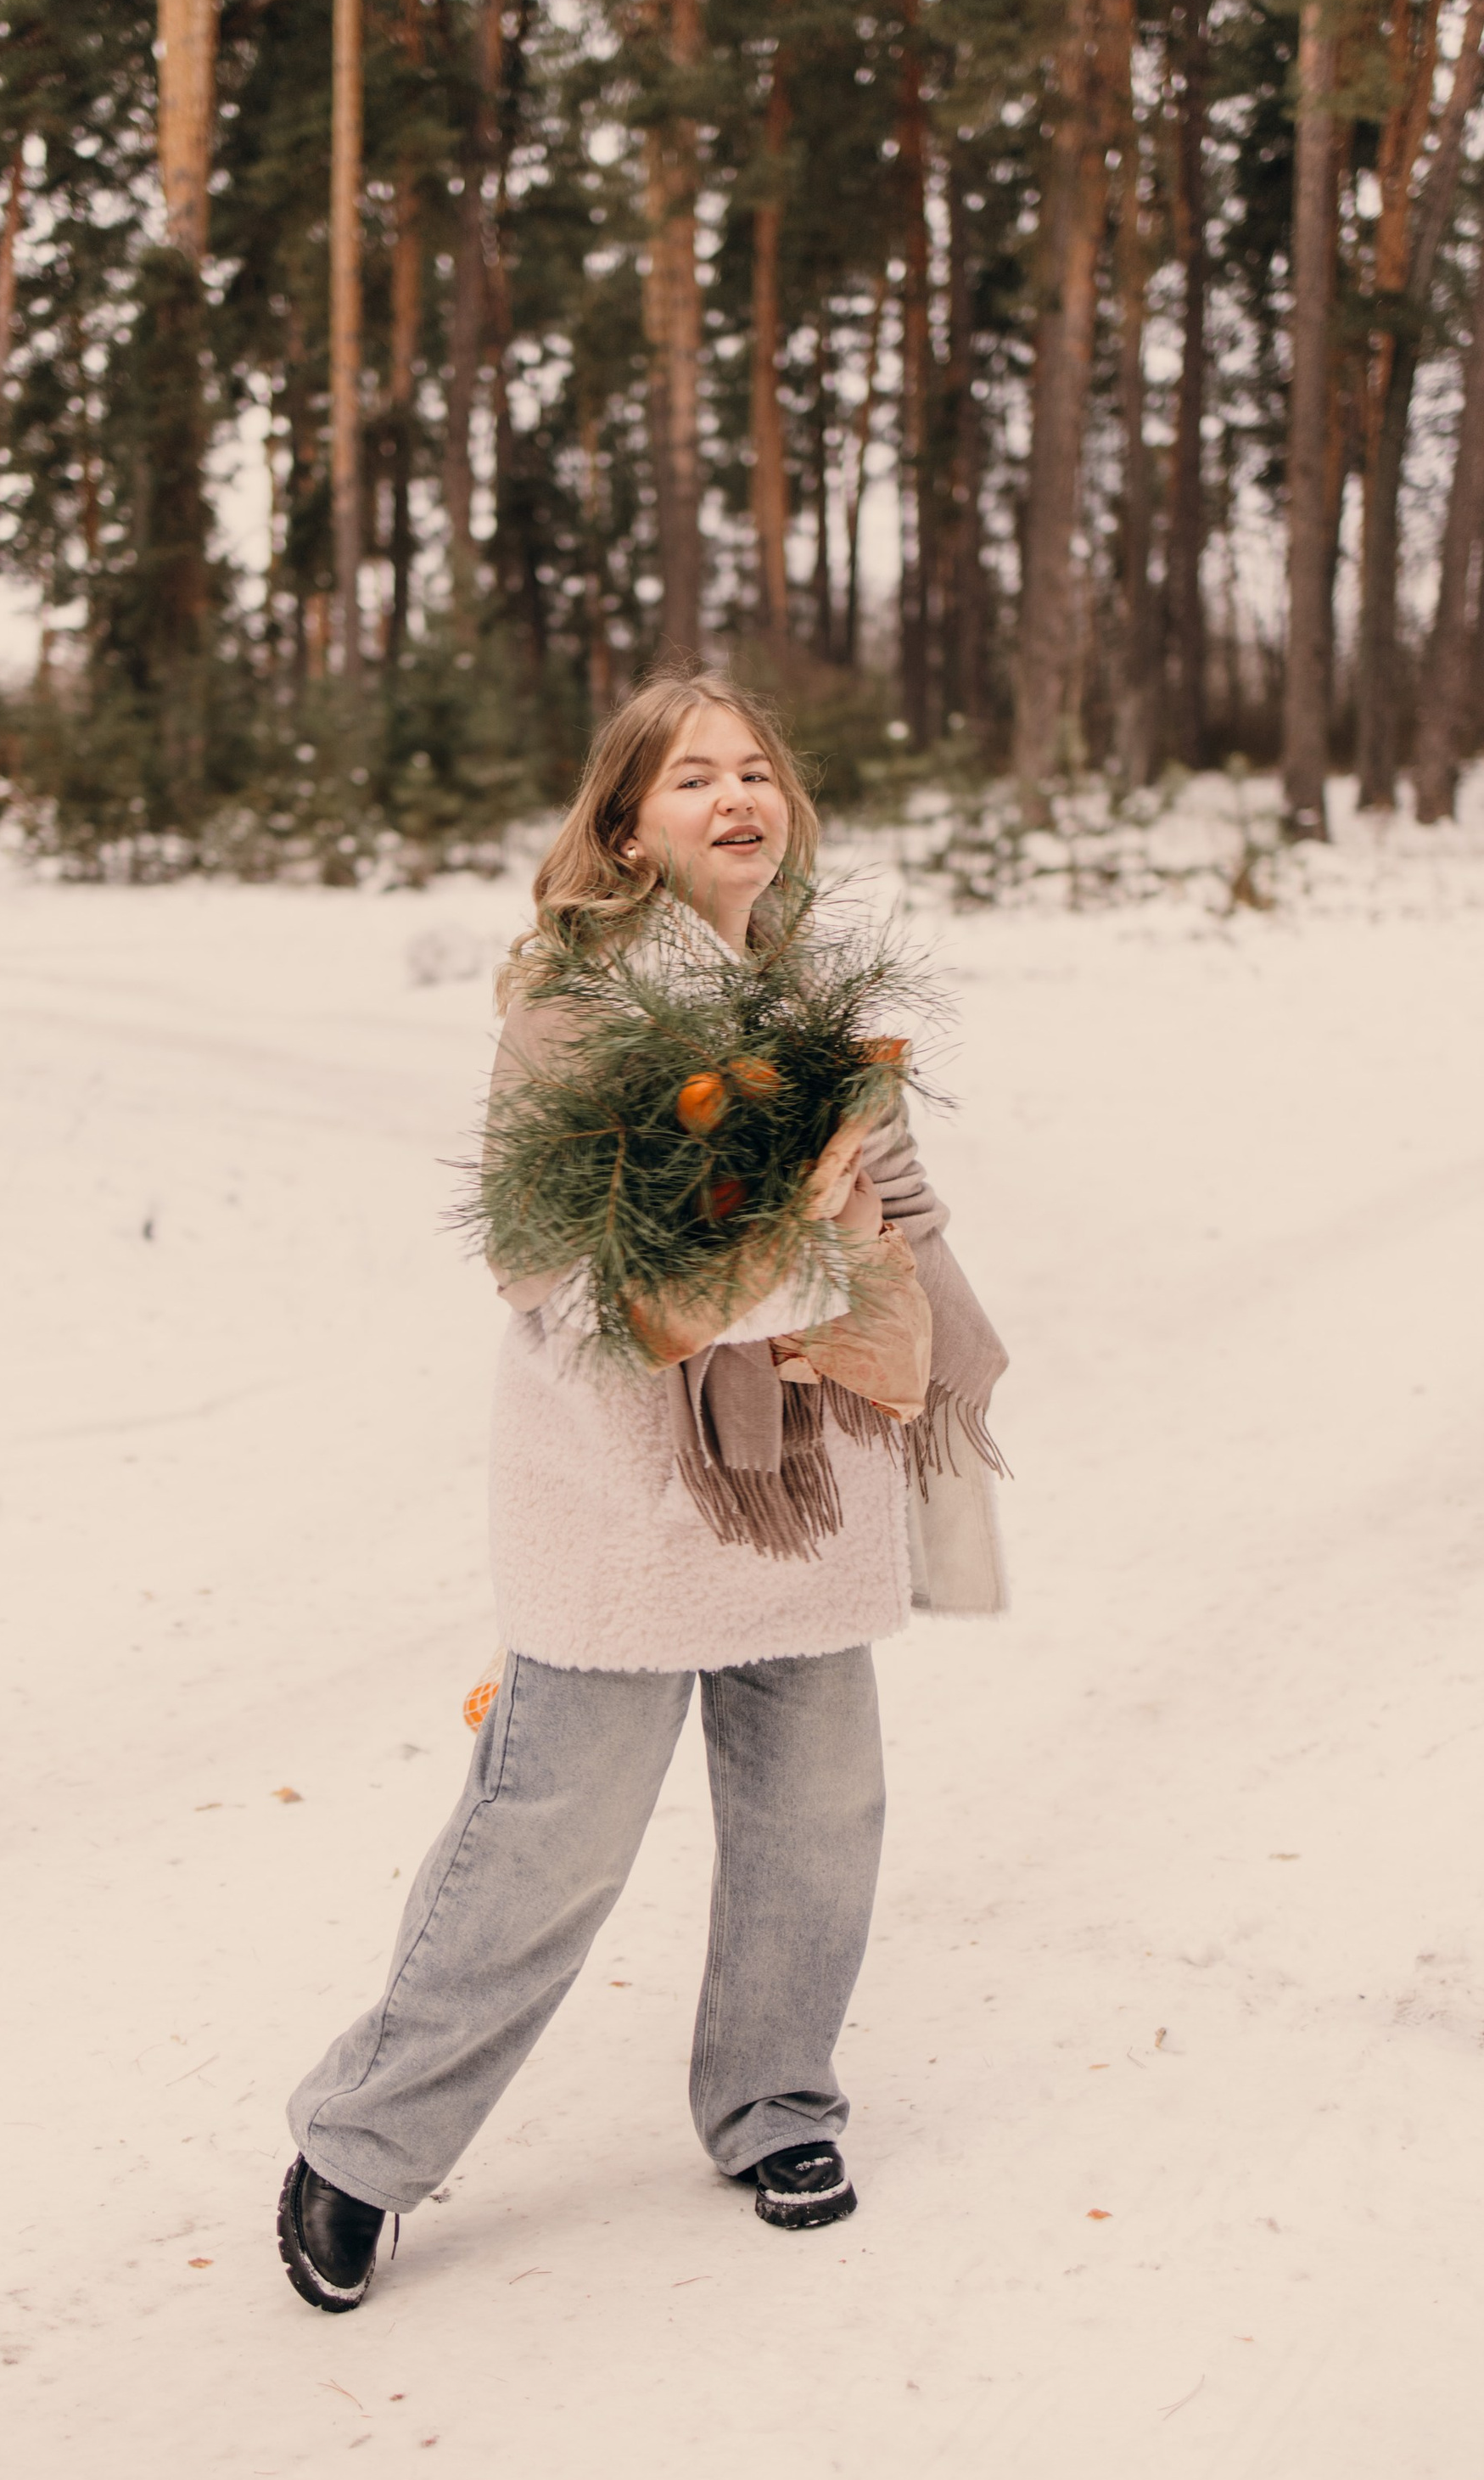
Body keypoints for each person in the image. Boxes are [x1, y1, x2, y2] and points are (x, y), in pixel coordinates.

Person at [278, 670, 1007, 2311]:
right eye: (692, 778)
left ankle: (775, 2104)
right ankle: (362, 2147)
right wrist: (795, 1281)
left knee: (817, 1818)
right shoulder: (575, 1003)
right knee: (551, 1839)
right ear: (622, 828)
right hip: (627, 1490)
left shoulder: (808, 993)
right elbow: (548, 1264)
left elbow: (893, 1205)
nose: (738, 797)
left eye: (756, 772)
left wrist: (884, 1297)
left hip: (802, 1471)